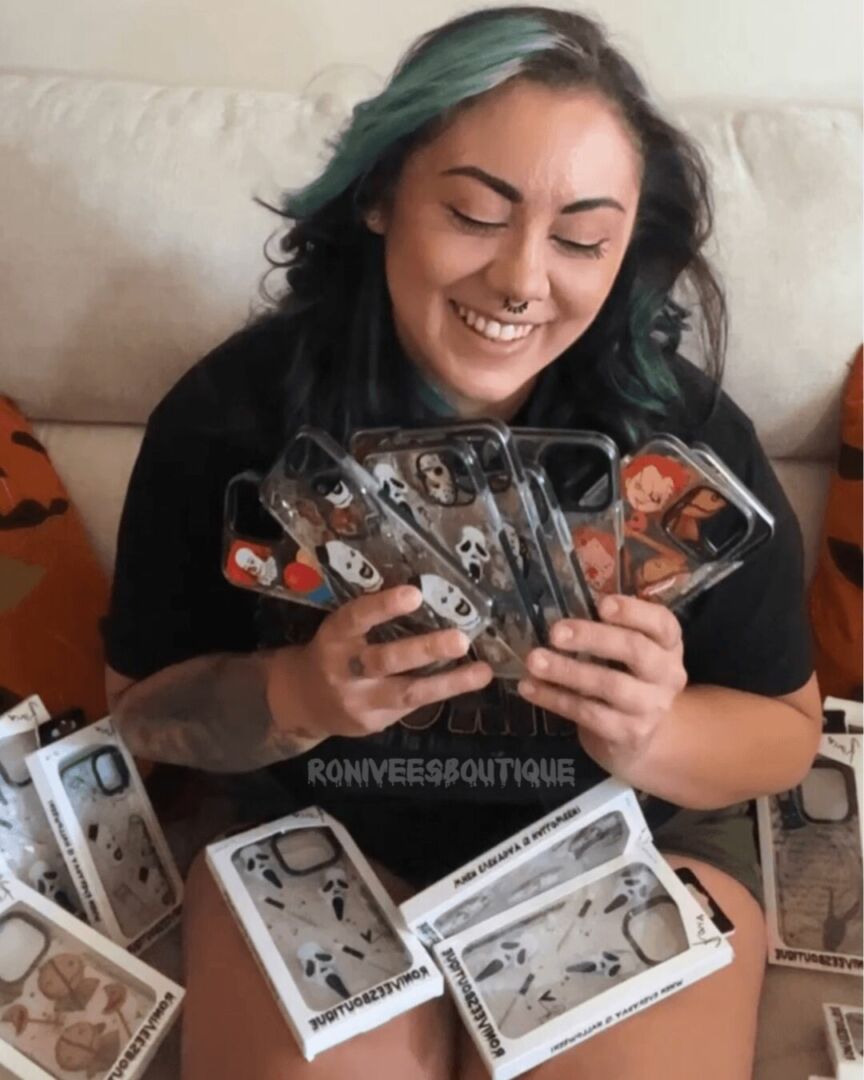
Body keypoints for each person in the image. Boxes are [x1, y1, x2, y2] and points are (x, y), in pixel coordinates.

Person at [103, 7, 822, 1078]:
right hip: (326, 841)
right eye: (477, 214)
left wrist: (651, 732)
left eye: (582, 239)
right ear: (381, 195)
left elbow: (787, 734)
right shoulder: (232, 421)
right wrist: (298, 696)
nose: (523, 280)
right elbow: (137, 712)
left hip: (628, 844)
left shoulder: (683, 447)